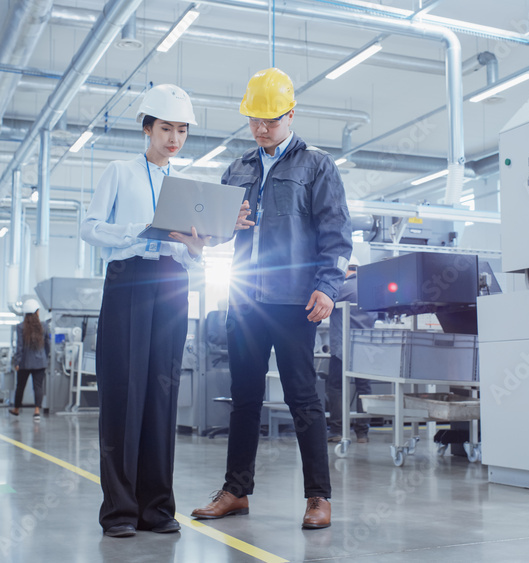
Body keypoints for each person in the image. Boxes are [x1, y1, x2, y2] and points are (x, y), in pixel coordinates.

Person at [191, 68, 352, 530]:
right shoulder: (236, 168)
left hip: (294, 300)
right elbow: (215, 233)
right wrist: (225, 225)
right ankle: (236, 491)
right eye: (254, 120)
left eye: (271, 121)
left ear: (291, 114)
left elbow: (336, 233)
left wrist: (328, 285)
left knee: (304, 398)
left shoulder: (316, 165)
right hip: (245, 299)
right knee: (244, 397)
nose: (261, 129)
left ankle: (318, 497)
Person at [80, 84, 209, 539]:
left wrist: (195, 248)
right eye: (166, 129)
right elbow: (90, 227)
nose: (174, 138)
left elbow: (192, 256)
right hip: (129, 281)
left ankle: (156, 508)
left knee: (161, 394)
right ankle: (119, 511)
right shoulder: (120, 172)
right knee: (122, 395)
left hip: (172, 285)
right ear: (148, 129)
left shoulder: (188, 185)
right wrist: (143, 230)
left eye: (182, 131)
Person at [326, 256, 377, 444]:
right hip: (366, 348)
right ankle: (362, 433)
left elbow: (323, 301)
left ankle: (337, 430)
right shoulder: (371, 289)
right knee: (364, 388)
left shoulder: (343, 287)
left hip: (343, 349)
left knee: (336, 388)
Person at [10, 298, 49, 421]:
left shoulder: (20, 327)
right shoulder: (44, 326)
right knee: (38, 387)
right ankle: (37, 411)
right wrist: (45, 357)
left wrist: (17, 362)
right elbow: (48, 344)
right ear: (37, 312)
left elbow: (19, 346)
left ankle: (16, 409)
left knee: (20, 386)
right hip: (40, 362)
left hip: (24, 363)